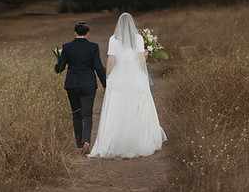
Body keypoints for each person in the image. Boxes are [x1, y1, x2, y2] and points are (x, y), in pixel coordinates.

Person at [87, 12, 166, 159]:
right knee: (138, 104)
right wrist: (145, 63)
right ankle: (141, 139)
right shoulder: (138, 38)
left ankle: (114, 140)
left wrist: (107, 77)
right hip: (135, 74)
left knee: (117, 105)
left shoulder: (114, 39)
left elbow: (110, 60)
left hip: (119, 74)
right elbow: (141, 60)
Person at [54, 19, 106, 155]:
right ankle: (87, 141)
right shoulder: (93, 47)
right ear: (88, 33)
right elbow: (98, 67)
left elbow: (59, 69)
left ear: (75, 32)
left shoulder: (67, 47)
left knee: (76, 114)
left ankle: (79, 144)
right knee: (87, 114)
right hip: (88, 84)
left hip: (72, 84)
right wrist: (105, 84)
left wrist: (58, 58)